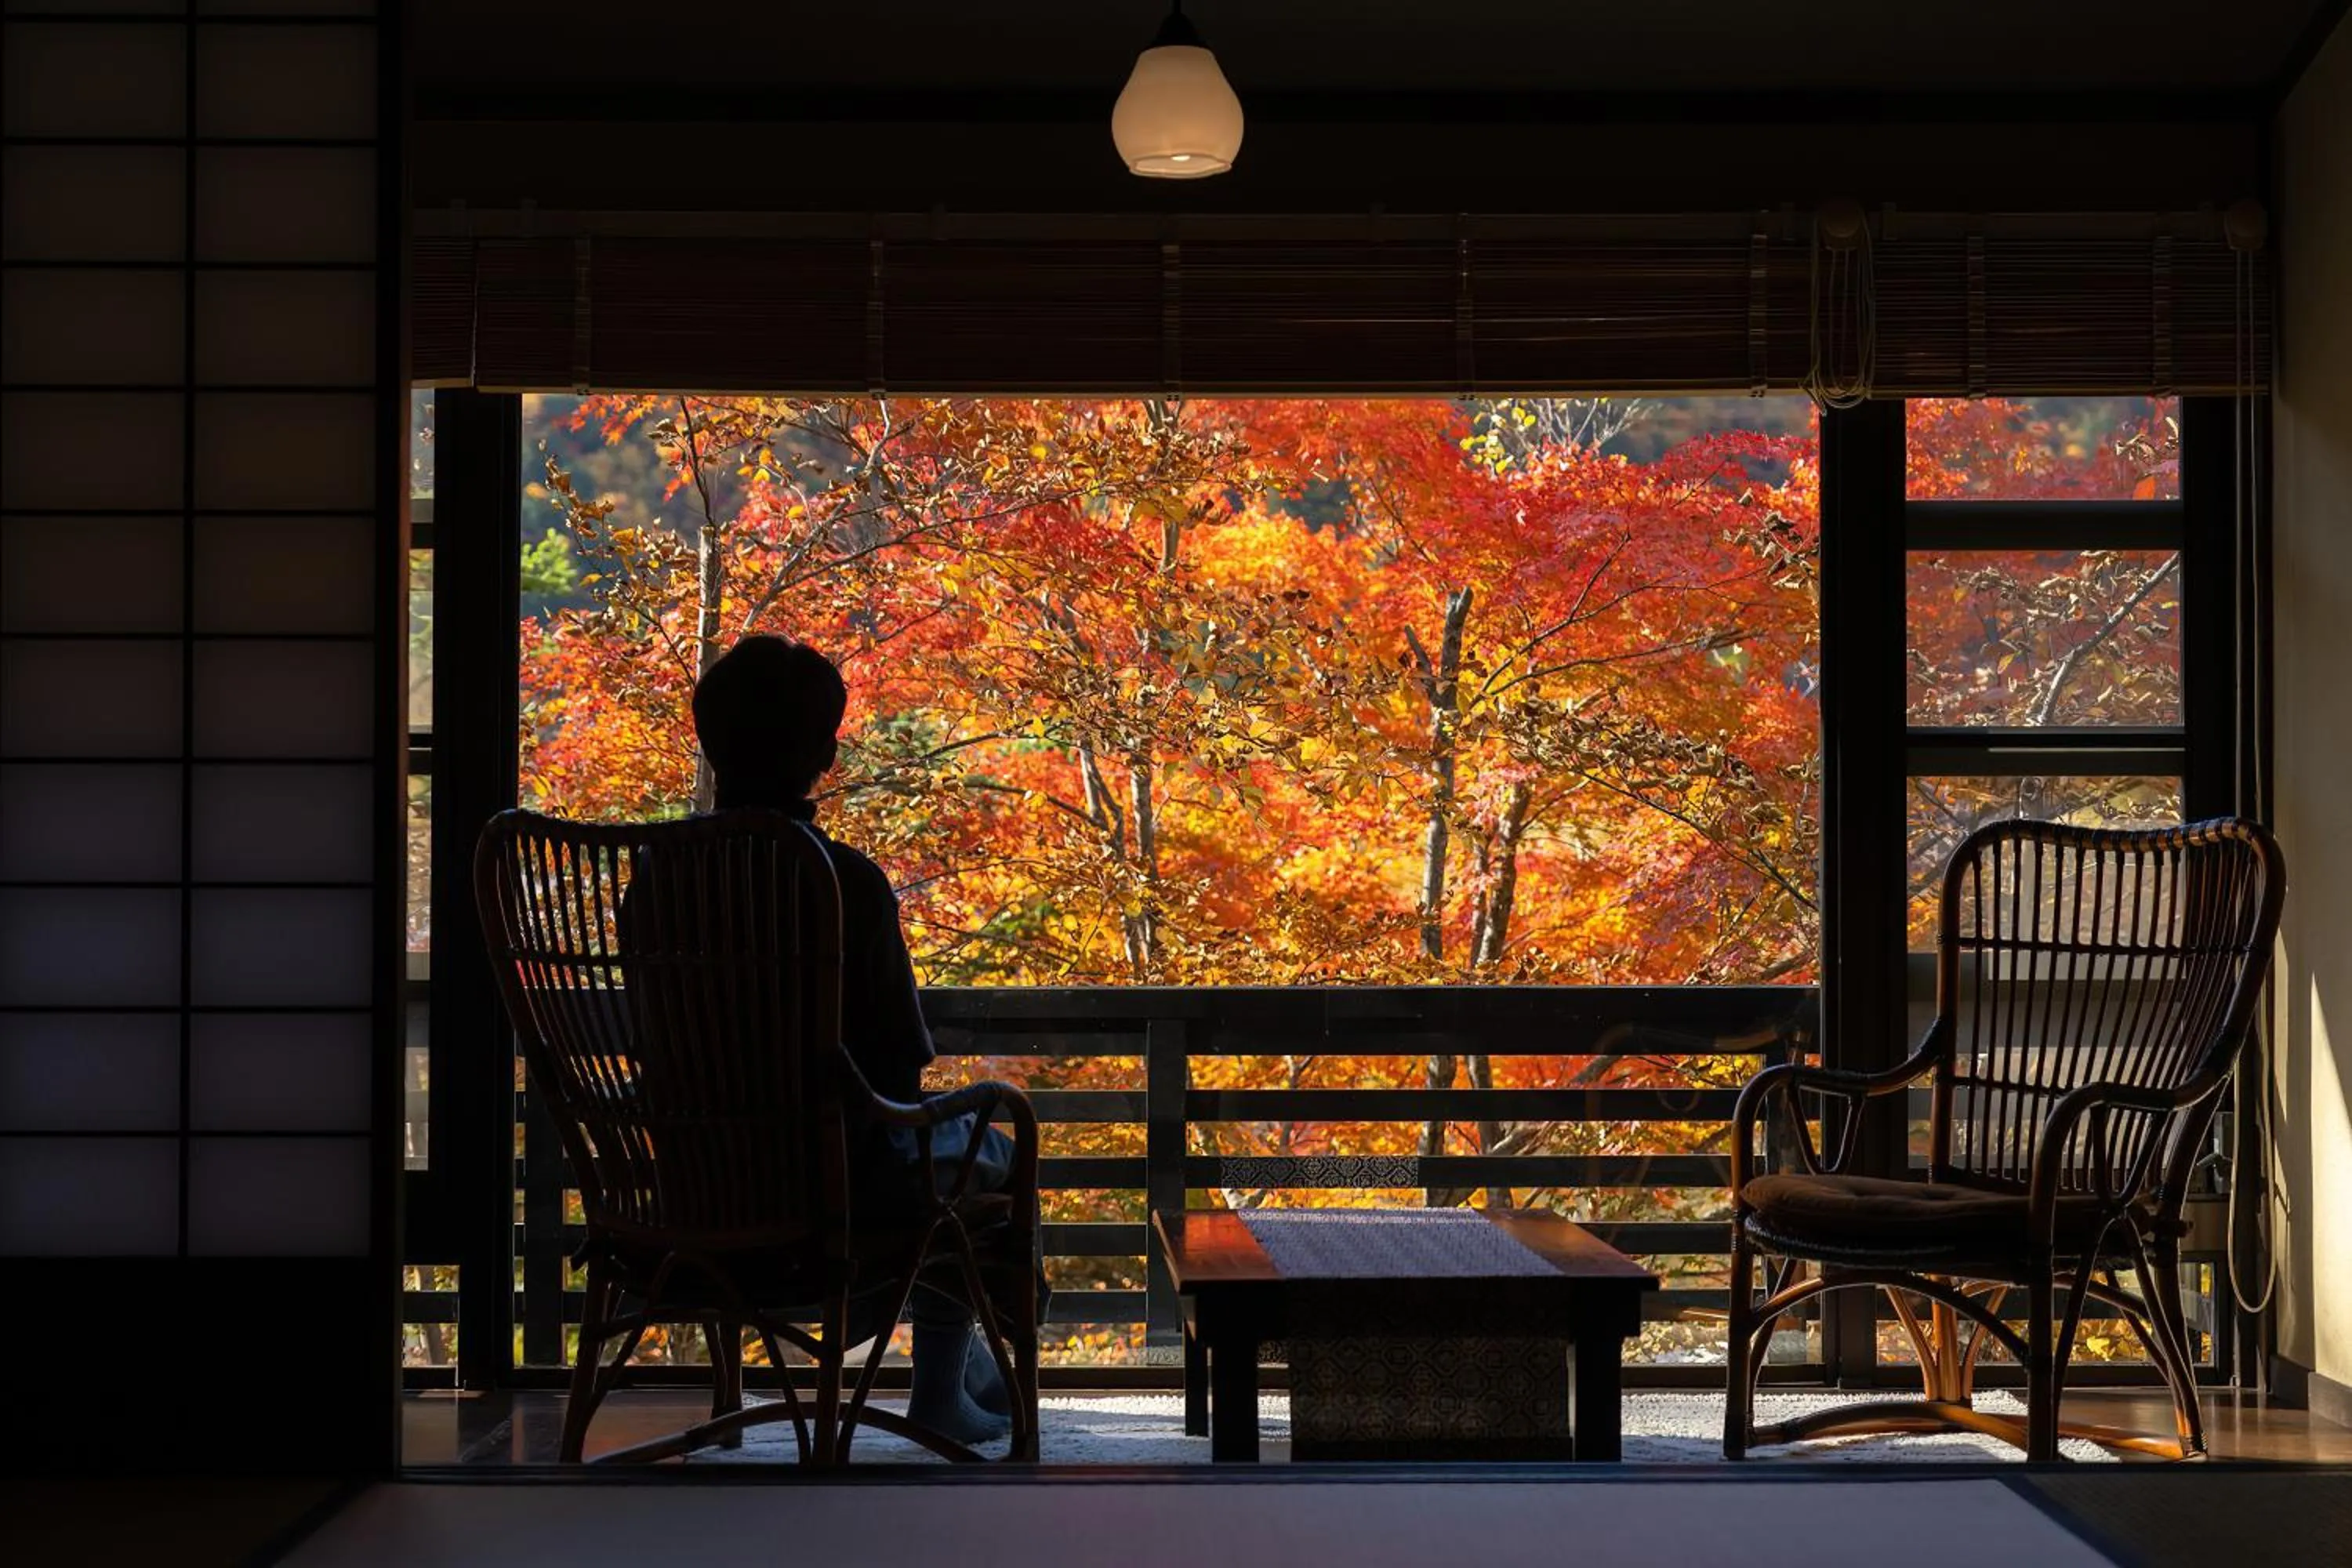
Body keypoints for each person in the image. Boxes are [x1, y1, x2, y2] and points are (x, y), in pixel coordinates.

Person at [688, 634, 1025, 1446]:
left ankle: (969, 1368)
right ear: (823, 756)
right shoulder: (843, 882)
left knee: (942, 1155)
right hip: (834, 1193)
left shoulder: (662, 881)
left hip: (686, 1192)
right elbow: (899, 1069)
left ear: (711, 745)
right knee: (990, 1144)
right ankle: (944, 1386)